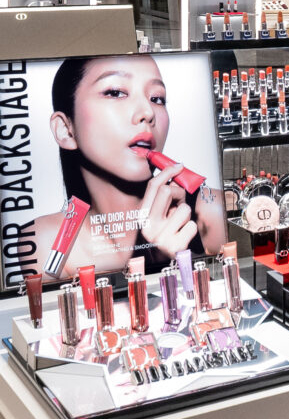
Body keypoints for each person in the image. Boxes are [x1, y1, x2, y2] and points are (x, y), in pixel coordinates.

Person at [32, 54, 225, 278]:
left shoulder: (209, 212)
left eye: (157, 98)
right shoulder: (46, 239)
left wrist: (177, 261)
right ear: (65, 130)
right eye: (115, 92)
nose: (148, 112)